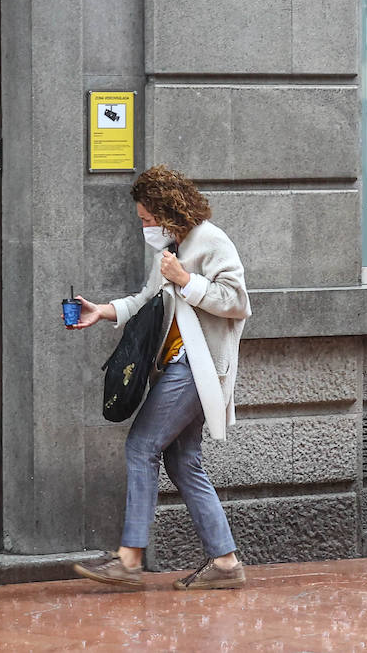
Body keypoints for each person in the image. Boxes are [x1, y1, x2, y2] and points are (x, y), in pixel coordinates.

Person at [67, 165, 251, 590]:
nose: (145, 227)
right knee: (182, 461)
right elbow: (147, 300)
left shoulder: (210, 240)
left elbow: (237, 301)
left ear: (167, 210)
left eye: (147, 219)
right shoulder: (170, 246)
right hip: (176, 366)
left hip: (196, 367)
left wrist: (187, 280)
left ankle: (129, 560)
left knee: (142, 445)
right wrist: (102, 311)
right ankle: (225, 563)